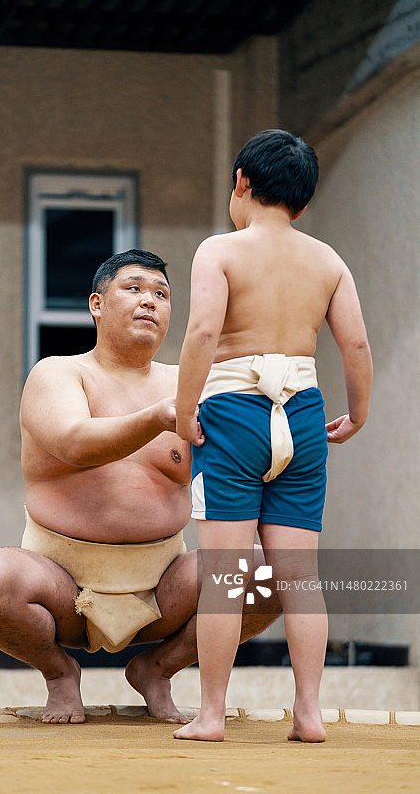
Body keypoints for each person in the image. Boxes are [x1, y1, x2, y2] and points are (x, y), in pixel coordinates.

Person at [0, 248, 281, 726]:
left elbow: (247, 460)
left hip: (164, 583)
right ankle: (59, 674)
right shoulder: (59, 373)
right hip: (60, 582)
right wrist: (156, 417)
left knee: (271, 574)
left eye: (161, 294)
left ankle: (157, 668)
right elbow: (74, 443)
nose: (149, 301)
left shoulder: (191, 385)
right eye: (133, 289)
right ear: (96, 303)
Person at [173, 130, 372, 743]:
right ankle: (308, 714)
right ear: (304, 203)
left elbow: (203, 334)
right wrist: (358, 413)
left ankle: (210, 715)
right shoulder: (328, 260)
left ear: (241, 183)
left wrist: (183, 416)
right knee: (300, 577)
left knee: (226, 574)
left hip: (234, 410)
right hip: (306, 414)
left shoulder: (220, 251)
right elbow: (357, 345)